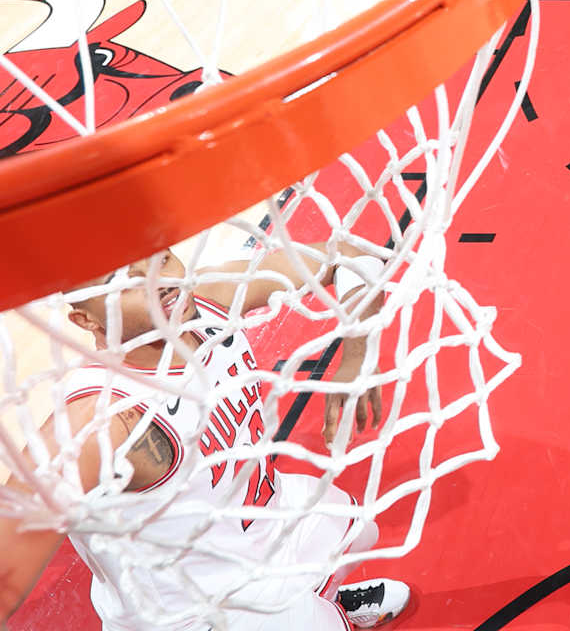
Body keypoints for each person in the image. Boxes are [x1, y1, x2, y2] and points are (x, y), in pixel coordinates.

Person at [0, 251, 412, 628]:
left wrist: (358, 355)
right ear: (88, 322)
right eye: (127, 281)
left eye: (162, 259)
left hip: (258, 530)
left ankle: (319, 597)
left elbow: (347, 254)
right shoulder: (100, 424)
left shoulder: (208, 300)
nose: (160, 280)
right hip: (198, 610)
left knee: (359, 528)